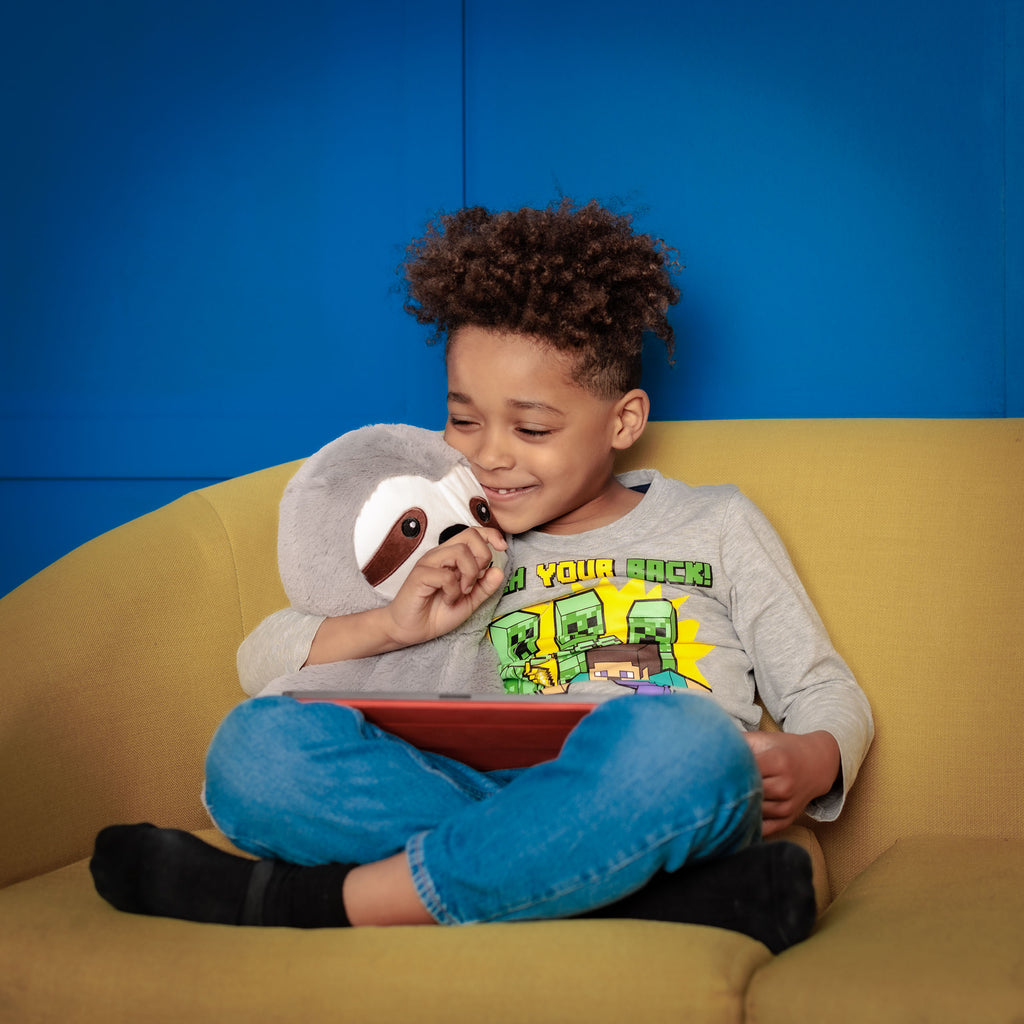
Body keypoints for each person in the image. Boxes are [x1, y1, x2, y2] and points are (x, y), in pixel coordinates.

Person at [91, 201, 873, 951]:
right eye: (463, 419)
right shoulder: (450, 534)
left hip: (653, 790)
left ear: (624, 421)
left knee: (681, 741)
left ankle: (316, 905)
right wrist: (393, 623)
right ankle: (620, 892)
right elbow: (262, 661)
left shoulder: (717, 522)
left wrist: (813, 758)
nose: (489, 455)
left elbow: (823, 689)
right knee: (254, 750)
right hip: (470, 792)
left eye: (531, 427)